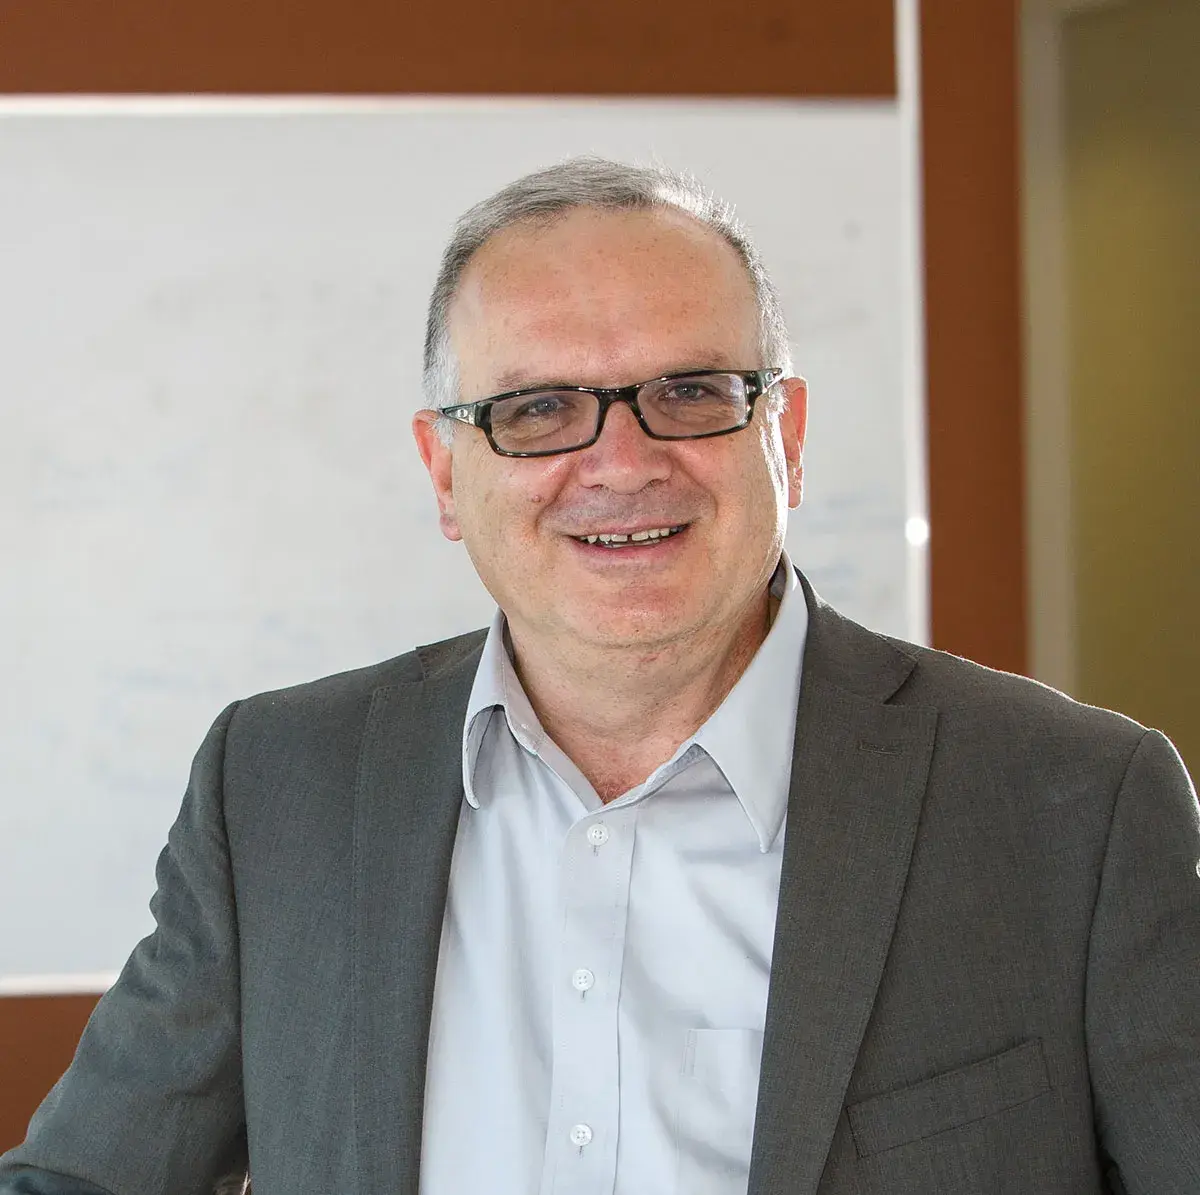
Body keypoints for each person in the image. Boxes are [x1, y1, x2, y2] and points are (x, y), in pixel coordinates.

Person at [2, 157, 1197, 1195]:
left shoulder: (1076, 809)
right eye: (537, 408)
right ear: (444, 471)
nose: (622, 463)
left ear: (783, 437)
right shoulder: (279, 786)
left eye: (691, 392)